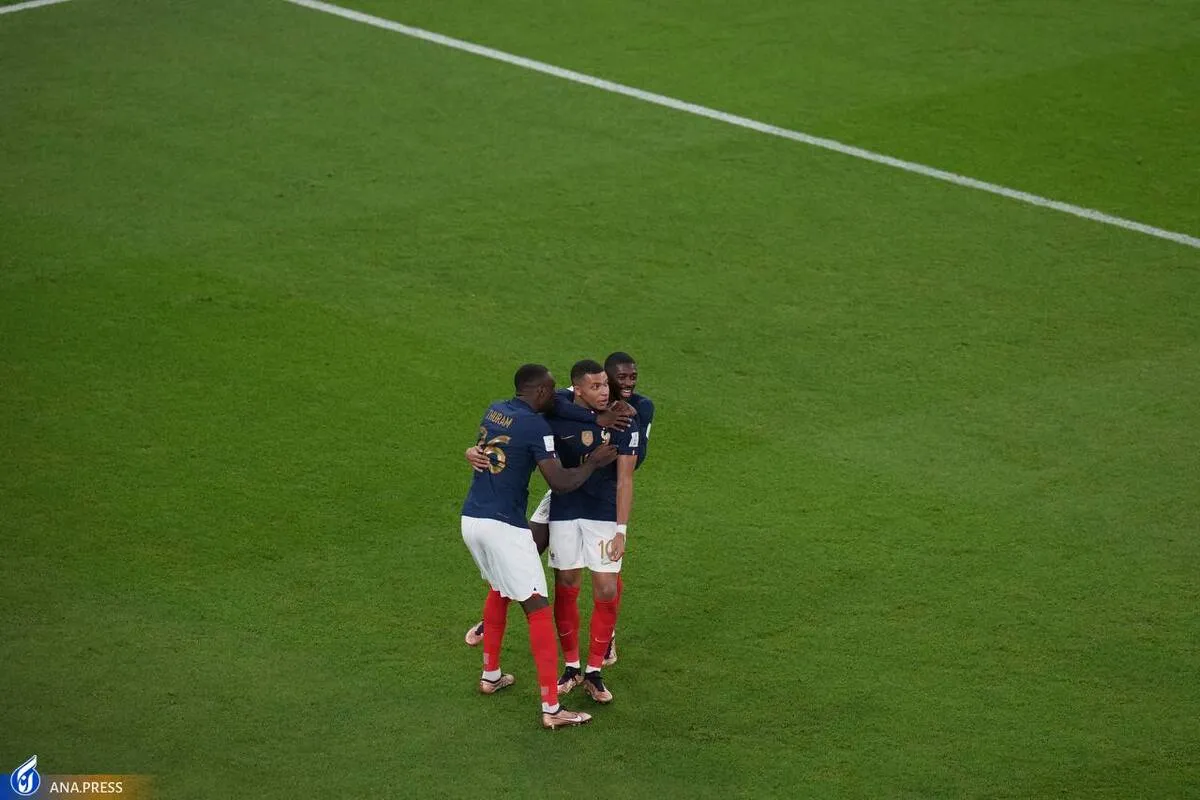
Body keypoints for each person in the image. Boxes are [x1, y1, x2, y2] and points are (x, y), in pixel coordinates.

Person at [460, 363, 617, 729]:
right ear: (542, 392)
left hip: (471, 519)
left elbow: (489, 447)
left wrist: (471, 451)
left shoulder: (496, 409)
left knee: (500, 587)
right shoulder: (535, 425)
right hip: (503, 526)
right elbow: (560, 482)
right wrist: (593, 463)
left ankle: (491, 675)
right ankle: (551, 708)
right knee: (538, 610)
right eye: (552, 388)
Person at [547, 359, 640, 704]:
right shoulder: (559, 411)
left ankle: (594, 671)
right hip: (565, 509)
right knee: (566, 583)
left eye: (605, 385)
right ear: (578, 389)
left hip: (603, 513)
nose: (604, 392)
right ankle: (571, 667)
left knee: (606, 587)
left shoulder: (624, 418)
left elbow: (626, 480)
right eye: (595, 386)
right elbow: (548, 402)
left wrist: (621, 530)